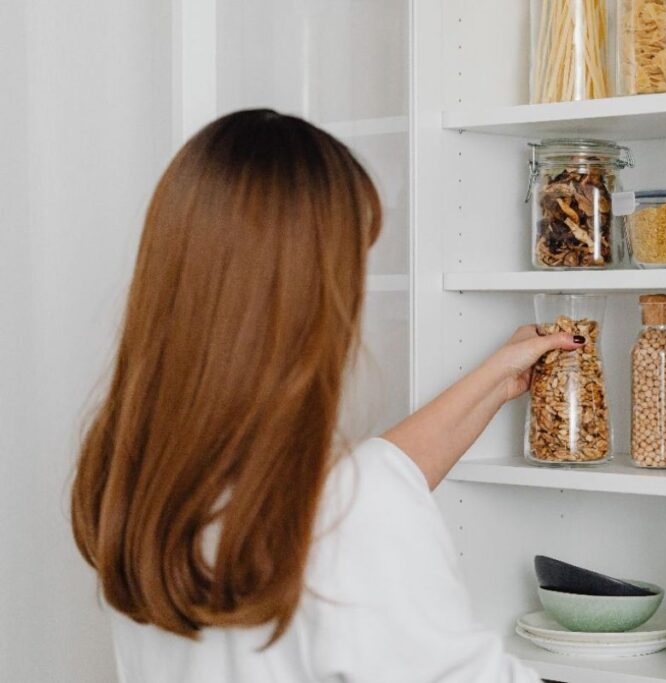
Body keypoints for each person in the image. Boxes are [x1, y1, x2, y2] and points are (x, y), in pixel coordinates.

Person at [70, 109, 584, 683]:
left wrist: (495, 379)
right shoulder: (356, 510)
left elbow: (354, 483)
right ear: (307, 294)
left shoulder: (144, 483)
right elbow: (355, 503)